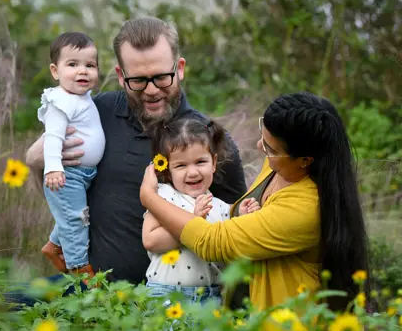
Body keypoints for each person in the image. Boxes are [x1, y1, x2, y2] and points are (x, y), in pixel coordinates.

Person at [24, 17, 247, 289]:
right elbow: (64, 190)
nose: (152, 90)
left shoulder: (209, 141)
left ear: (180, 68)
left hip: (169, 305)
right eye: (138, 80)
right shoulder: (96, 113)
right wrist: (37, 162)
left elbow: (238, 240)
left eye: (162, 77)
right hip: (90, 292)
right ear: (120, 76)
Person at [139, 91, 370, 313]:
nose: (260, 148)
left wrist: (148, 197)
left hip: (285, 325)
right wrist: (240, 213)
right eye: (263, 134)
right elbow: (244, 228)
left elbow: (213, 241)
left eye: (270, 148)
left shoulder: (306, 206)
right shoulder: (277, 166)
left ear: (304, 161)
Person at [142, 118, 260, 305]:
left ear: (213, 162)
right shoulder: (163, 197)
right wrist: (193, 222)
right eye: (181, 165)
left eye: (200, 162)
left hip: (211, 296)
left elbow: (231, 245)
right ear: (167, 169)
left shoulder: (221, 207)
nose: (193, 172)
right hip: (167, 295)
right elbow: (150, 240)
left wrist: (243, 217)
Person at [38, 32, 105, 281]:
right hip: (68, 175)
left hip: (84, 174)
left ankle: (54, 246)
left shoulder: (82, 97)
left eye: (90, 65)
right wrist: (54, 167)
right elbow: (53, 137)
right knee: (76, 221)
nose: (83, 71)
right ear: (55, 71)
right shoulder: (60, 101)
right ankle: (79, 269)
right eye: (73, 65)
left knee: (73, 215)